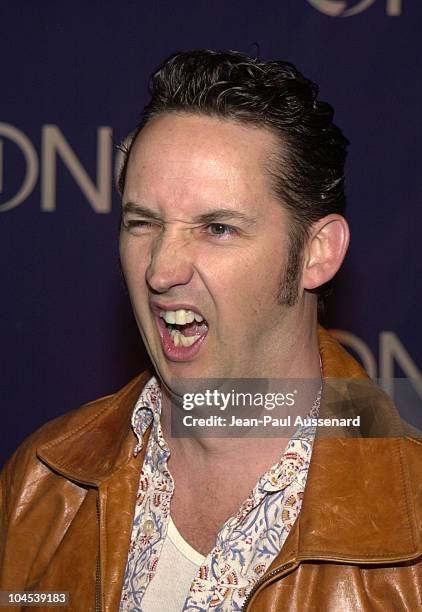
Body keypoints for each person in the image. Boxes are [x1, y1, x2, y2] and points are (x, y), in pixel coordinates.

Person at [1, 50, 421, 612]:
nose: (161, 269)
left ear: (316, 254)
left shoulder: (412, 515)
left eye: (217, 228)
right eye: (142, 223)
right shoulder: (43, 483)